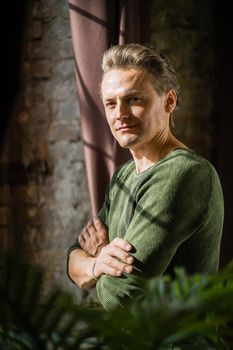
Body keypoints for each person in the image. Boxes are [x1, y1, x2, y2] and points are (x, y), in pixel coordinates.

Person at [67, 43, 224, 311]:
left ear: (169, 101)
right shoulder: (124, 177)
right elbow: (71, 260)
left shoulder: (184, 173)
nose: (120, 115)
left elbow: (120, 295)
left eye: (134, 99)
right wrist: (97, 263)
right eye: (110, 103)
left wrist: (94, 262)